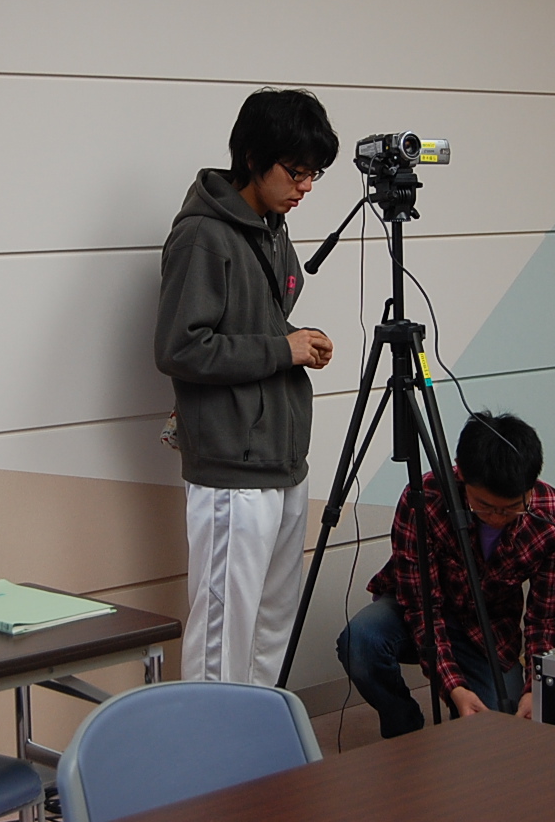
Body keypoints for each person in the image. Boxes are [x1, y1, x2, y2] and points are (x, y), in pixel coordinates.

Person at [154, 88, 339, 686]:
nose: (305, 187)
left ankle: (258, 742)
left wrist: (297, 339)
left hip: (282, 459)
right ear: (254, 157)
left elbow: (257, 321)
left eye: (314, 174)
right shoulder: (202, 236)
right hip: (232, 465)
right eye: (296, 171)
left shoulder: (272, 227)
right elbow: (180, 348)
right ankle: (209, 747)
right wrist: (283, 348)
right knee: (221, 641)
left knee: (269, 632)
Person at [336, 411, 555, 734]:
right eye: (484, 506)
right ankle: (405, 729)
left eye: (512, 508)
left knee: (500, 724)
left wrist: (536, 687)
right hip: (413, 613)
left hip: (487, 629)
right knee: (360, 641)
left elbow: (546, 619)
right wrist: (453, 688)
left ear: (532, 486)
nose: (497, 518)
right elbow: (421, 607)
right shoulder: (425, 498)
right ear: (460, 474)